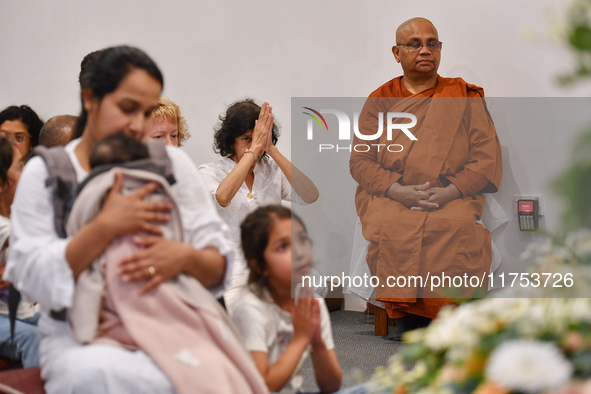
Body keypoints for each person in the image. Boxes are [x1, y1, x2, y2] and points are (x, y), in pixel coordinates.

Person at [4, 45, 236, 394]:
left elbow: (218, 261)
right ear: (90, 99)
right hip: (79, 337)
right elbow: (31, 276)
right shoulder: (48, 172)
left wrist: (185, 257)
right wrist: (103, 227)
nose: (136, 125)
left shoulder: (172, 167)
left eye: (146, 113)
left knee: (219, 373)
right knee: (104, 377)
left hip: (168, 322)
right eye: (127, 108)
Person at [349, 18, 502, 330]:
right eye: (415, 44)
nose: (425, 50)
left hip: (450, 191)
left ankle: (452, 321)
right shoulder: (380, 99)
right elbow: (360, 162)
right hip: (393, 193)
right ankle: (406, 315)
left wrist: (449, 191)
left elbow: (485, 158)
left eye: (432, 43)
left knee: (458, 226)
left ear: (440, 49)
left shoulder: (462, 96)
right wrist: (396, 190)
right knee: (393, 224)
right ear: (397, 52)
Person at [198, 99, 319, 306]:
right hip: (233, 268)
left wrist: (271, 149)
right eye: (246, 138)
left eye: (259, 138)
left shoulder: (271, 170)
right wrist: (254, 150)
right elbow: (223, 197)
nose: (255, 144)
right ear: (230, 141)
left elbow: (310, 195)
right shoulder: (210, 171)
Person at [229, 205, 342, 394]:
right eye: (283, 246)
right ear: (259, 266)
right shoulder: (249, 308)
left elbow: (331, 386)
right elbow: (261, 388)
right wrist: (301, 338)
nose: (299, 252)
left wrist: (317, 342)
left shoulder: (311, 304)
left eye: (302, 239)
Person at [0, 136, 40, 368]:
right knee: (32, 339)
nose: (26, 173)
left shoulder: (15, 214)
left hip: (20, 312)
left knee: (65, 326)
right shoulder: (4, 228)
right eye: (20, 167)